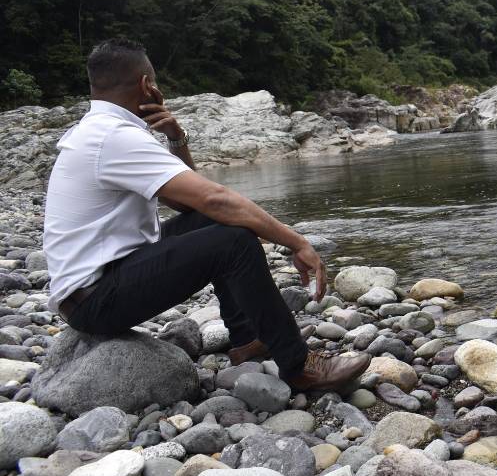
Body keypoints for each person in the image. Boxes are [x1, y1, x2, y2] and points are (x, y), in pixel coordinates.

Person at [42, 38, 369, 390]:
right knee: (233, 241)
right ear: (147, 85)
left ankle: (250, 339)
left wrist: (177, 139)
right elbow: (216, 198)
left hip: (94, 289)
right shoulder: (114, 138)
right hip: (95, 302)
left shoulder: (99, 131)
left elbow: (191, 205)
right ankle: (299, 366)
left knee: (215, 224)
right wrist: (296, 241)